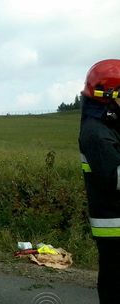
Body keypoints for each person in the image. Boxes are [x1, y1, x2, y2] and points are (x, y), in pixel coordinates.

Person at [79, 59, 120, 303]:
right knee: (115, 286)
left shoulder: (108, 124)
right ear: (110, 95)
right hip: (113, 225)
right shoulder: (96, 133)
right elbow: (113, 177)